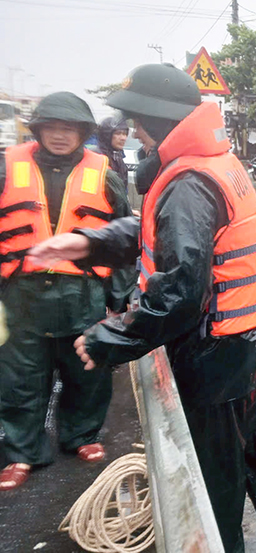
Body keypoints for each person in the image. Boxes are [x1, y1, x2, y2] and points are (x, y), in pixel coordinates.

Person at [28, 64, 256, 553]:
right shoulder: (215, 162)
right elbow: (158, 232)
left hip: (218, 360)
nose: (133, 132)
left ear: (153, 122)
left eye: (136, 122)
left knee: (217, 487)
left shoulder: (187, 181)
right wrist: (86, 243)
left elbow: (181, 292)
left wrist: (110, 338)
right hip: (255, 346)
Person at [0, 92, 134, 491]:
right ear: (37, 129)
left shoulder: (104, 173)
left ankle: (82, 436)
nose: (59, 135)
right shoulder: (6, 168)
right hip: (20, 292)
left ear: (83, 133)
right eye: (51, 127)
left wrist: (119, 300)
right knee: (19, 375)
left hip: (84, 290)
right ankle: (22, 451)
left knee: (87, 368)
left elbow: (126, 237)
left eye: (69, 128)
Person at [97, 113, 129, 184]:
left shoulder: (118, 158)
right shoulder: (97, 157)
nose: (123, 138)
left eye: (125, 134)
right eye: (118, 133)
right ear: (107, 135)